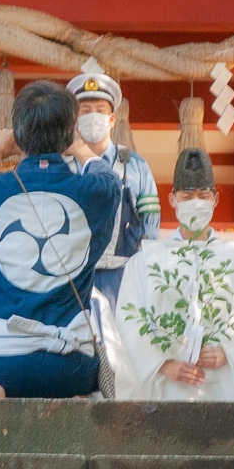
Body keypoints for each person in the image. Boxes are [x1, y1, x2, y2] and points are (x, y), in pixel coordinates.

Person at [0, 80, 121, 398]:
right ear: (70, 132)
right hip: (67, 358)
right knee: (86, 388)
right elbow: (108, 176)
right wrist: (80, 147)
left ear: (18, 135)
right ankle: (73, 400)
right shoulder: (94, 191)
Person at [108, 147, 234, 401]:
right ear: (172, 199)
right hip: (168, 385)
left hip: (226, 382)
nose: (196, 202)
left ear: (215, 199)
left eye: (203, 195)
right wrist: (162, 363)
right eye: (187, 195)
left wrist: (229, 350)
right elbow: (130, 319)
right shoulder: (145, 261)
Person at [67, 72, 160, 309]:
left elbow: (150, 228)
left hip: (122, 276)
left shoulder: (135, 165)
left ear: (112, 119)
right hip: (71, 278)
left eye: (100, 109)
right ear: (75, 120)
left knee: (119, 344)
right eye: (86, 111)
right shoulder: (62, 166)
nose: (93, 116)